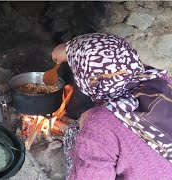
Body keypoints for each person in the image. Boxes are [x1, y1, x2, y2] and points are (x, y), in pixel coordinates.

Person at [51, 33, 172, 180]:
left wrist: (92, 122)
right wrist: (69, 50)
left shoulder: (100, 124)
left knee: (73, 133)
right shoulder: (162, 82)